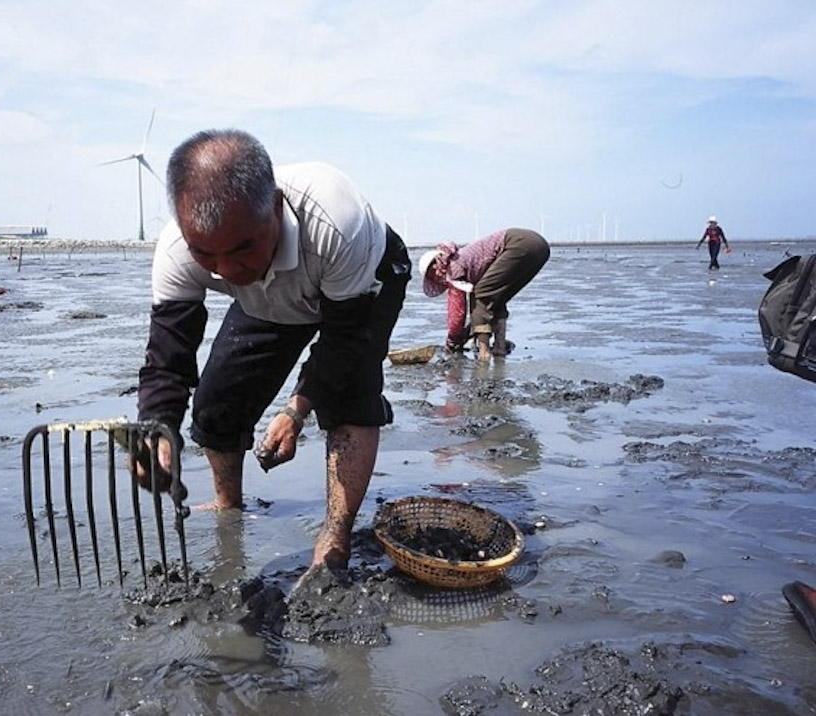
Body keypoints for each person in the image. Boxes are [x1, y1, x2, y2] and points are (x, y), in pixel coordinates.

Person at [134, 128, 411, 570]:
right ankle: (229, 506)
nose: (226, 270)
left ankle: (335, 534)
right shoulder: (178, 251)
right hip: (270, 296)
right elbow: (168, 357)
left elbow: (343, 342)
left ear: (277, 210)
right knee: (217, 403)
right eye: (206, 255)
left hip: (358, 281)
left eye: (241, 248)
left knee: (348, 398)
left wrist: (296, 410)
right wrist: (155, 427)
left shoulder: (336, 219)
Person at [419, 228, 550, 361]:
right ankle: (500, 347)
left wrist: (452, 340)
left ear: (435, 266)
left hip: (518, 243)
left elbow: (457, 312)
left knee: (480, 294)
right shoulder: (458, 259)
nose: (436, 280)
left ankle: (484, 352)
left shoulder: (452, 268)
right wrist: (467, 333)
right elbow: (490, 300)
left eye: (432, 276)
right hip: (539, 246)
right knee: (498, 298)